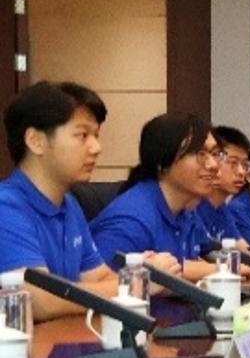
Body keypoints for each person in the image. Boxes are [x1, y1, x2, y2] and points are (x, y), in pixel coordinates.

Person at [0, 81, 179, 319]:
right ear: (35, 141)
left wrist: (146, 275)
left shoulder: (69, 204)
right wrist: (137, 284)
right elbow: (37, 300)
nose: (96, 148)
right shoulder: (6, 207)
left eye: (96, 135)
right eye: (82, 135)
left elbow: (99, 276)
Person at [91, 113, 222, 282]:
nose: (213, 165)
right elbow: (100, 288)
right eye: (200, 153)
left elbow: (189, 262)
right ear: (162, 162)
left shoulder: (187, 211)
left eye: (215, 153)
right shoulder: (130, 221)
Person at [192, 125, 250, 247]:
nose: (241, 172)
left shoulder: (221, 208)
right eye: (233, 162)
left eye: (245, 164)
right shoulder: (194, 206)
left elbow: (241, 247)